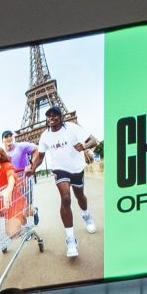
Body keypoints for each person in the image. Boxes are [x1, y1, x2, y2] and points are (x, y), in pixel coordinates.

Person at [39, 109, 98, 261]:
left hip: (76, 168)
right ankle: (71, 240)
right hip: (60, 169)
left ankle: (86, 214)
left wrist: (84, 146)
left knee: (80, 196)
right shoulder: (45, 135)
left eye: (54, 114)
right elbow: (40, 156)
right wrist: (32, 168)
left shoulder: (72, 128)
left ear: (61, 116)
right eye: (48, 115)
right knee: (65, 198)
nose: (51, 117)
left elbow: (93, 140)